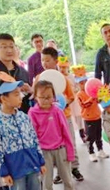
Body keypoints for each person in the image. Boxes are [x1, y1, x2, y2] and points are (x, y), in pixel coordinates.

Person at [29, 80, 82, 190]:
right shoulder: (33, 113)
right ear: (35, 97)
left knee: (67, 178)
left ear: (54, 96)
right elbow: (32, 137)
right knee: (46, 181)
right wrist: (36, 158)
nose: (46, 100)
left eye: (49, 97)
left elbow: (66, 133)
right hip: (44, 152)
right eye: (42, 97)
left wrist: (70, 153)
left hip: (60, 149)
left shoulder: (57, 111)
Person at [35, 47, 84, 182]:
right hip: (48, 119)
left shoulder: (62, 78)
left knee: (70, 141)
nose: (44, 63)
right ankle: (60, 172)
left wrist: (62, 104)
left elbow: (71, 96)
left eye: (47, 60)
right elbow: (35, 97)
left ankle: (74, 168)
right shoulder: (39, 78)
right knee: (54, 145)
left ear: (55, 61)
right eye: (42, 60)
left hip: (64, 116)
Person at [0, 33, 32, 112]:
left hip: (22, 114)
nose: (9, 50)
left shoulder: (22, 71)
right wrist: (15, 89)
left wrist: (30, 90)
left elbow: (28, 96)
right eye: (4, 47)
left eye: (11, 46)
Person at [74, 66, 107, 162]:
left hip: (97, 116)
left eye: (85, 82)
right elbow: (84, 105)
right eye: (81, 83)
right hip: (88, 119)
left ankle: (100, 150)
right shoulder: (79, 95)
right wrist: (92, 97)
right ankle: (91, 152)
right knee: (90, 137)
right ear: (77, 84)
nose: (84, 84)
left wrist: (101, 95)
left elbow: (98, 101)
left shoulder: (92, 92)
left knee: (98, 135)